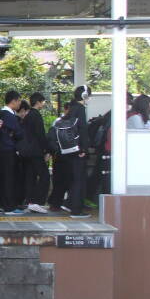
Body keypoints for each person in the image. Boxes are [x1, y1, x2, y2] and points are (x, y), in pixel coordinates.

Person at [61, 85, 92, 219]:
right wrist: (84, 148)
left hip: (70, 149)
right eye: (89, 95)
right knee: (79, 179)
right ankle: (76, 210)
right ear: (84, 96)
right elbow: (83, 130)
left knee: (74, 178)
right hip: (78, 149)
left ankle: (69, 203)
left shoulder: (71, 109)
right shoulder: (80, 109)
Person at [0, 90, 25, 215]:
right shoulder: (9, 115)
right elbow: (18, 133)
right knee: (8, 179)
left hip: (0, 150)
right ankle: (9, 207)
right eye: (19, 101)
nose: (20, 104)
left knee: (1, 178)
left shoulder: (0, 113)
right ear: (13, 101)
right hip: (7, 150)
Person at [22, 93, 50, 214]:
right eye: (43, 101)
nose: (43, 104)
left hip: (27, 152)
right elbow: (41, 135)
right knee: (44, 176)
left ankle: (29, 201)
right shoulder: (36, 115)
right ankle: (36, 201)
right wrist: (47, 150)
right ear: (38, 102)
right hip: (36, 152)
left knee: (30, 177)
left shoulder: (28, 116)